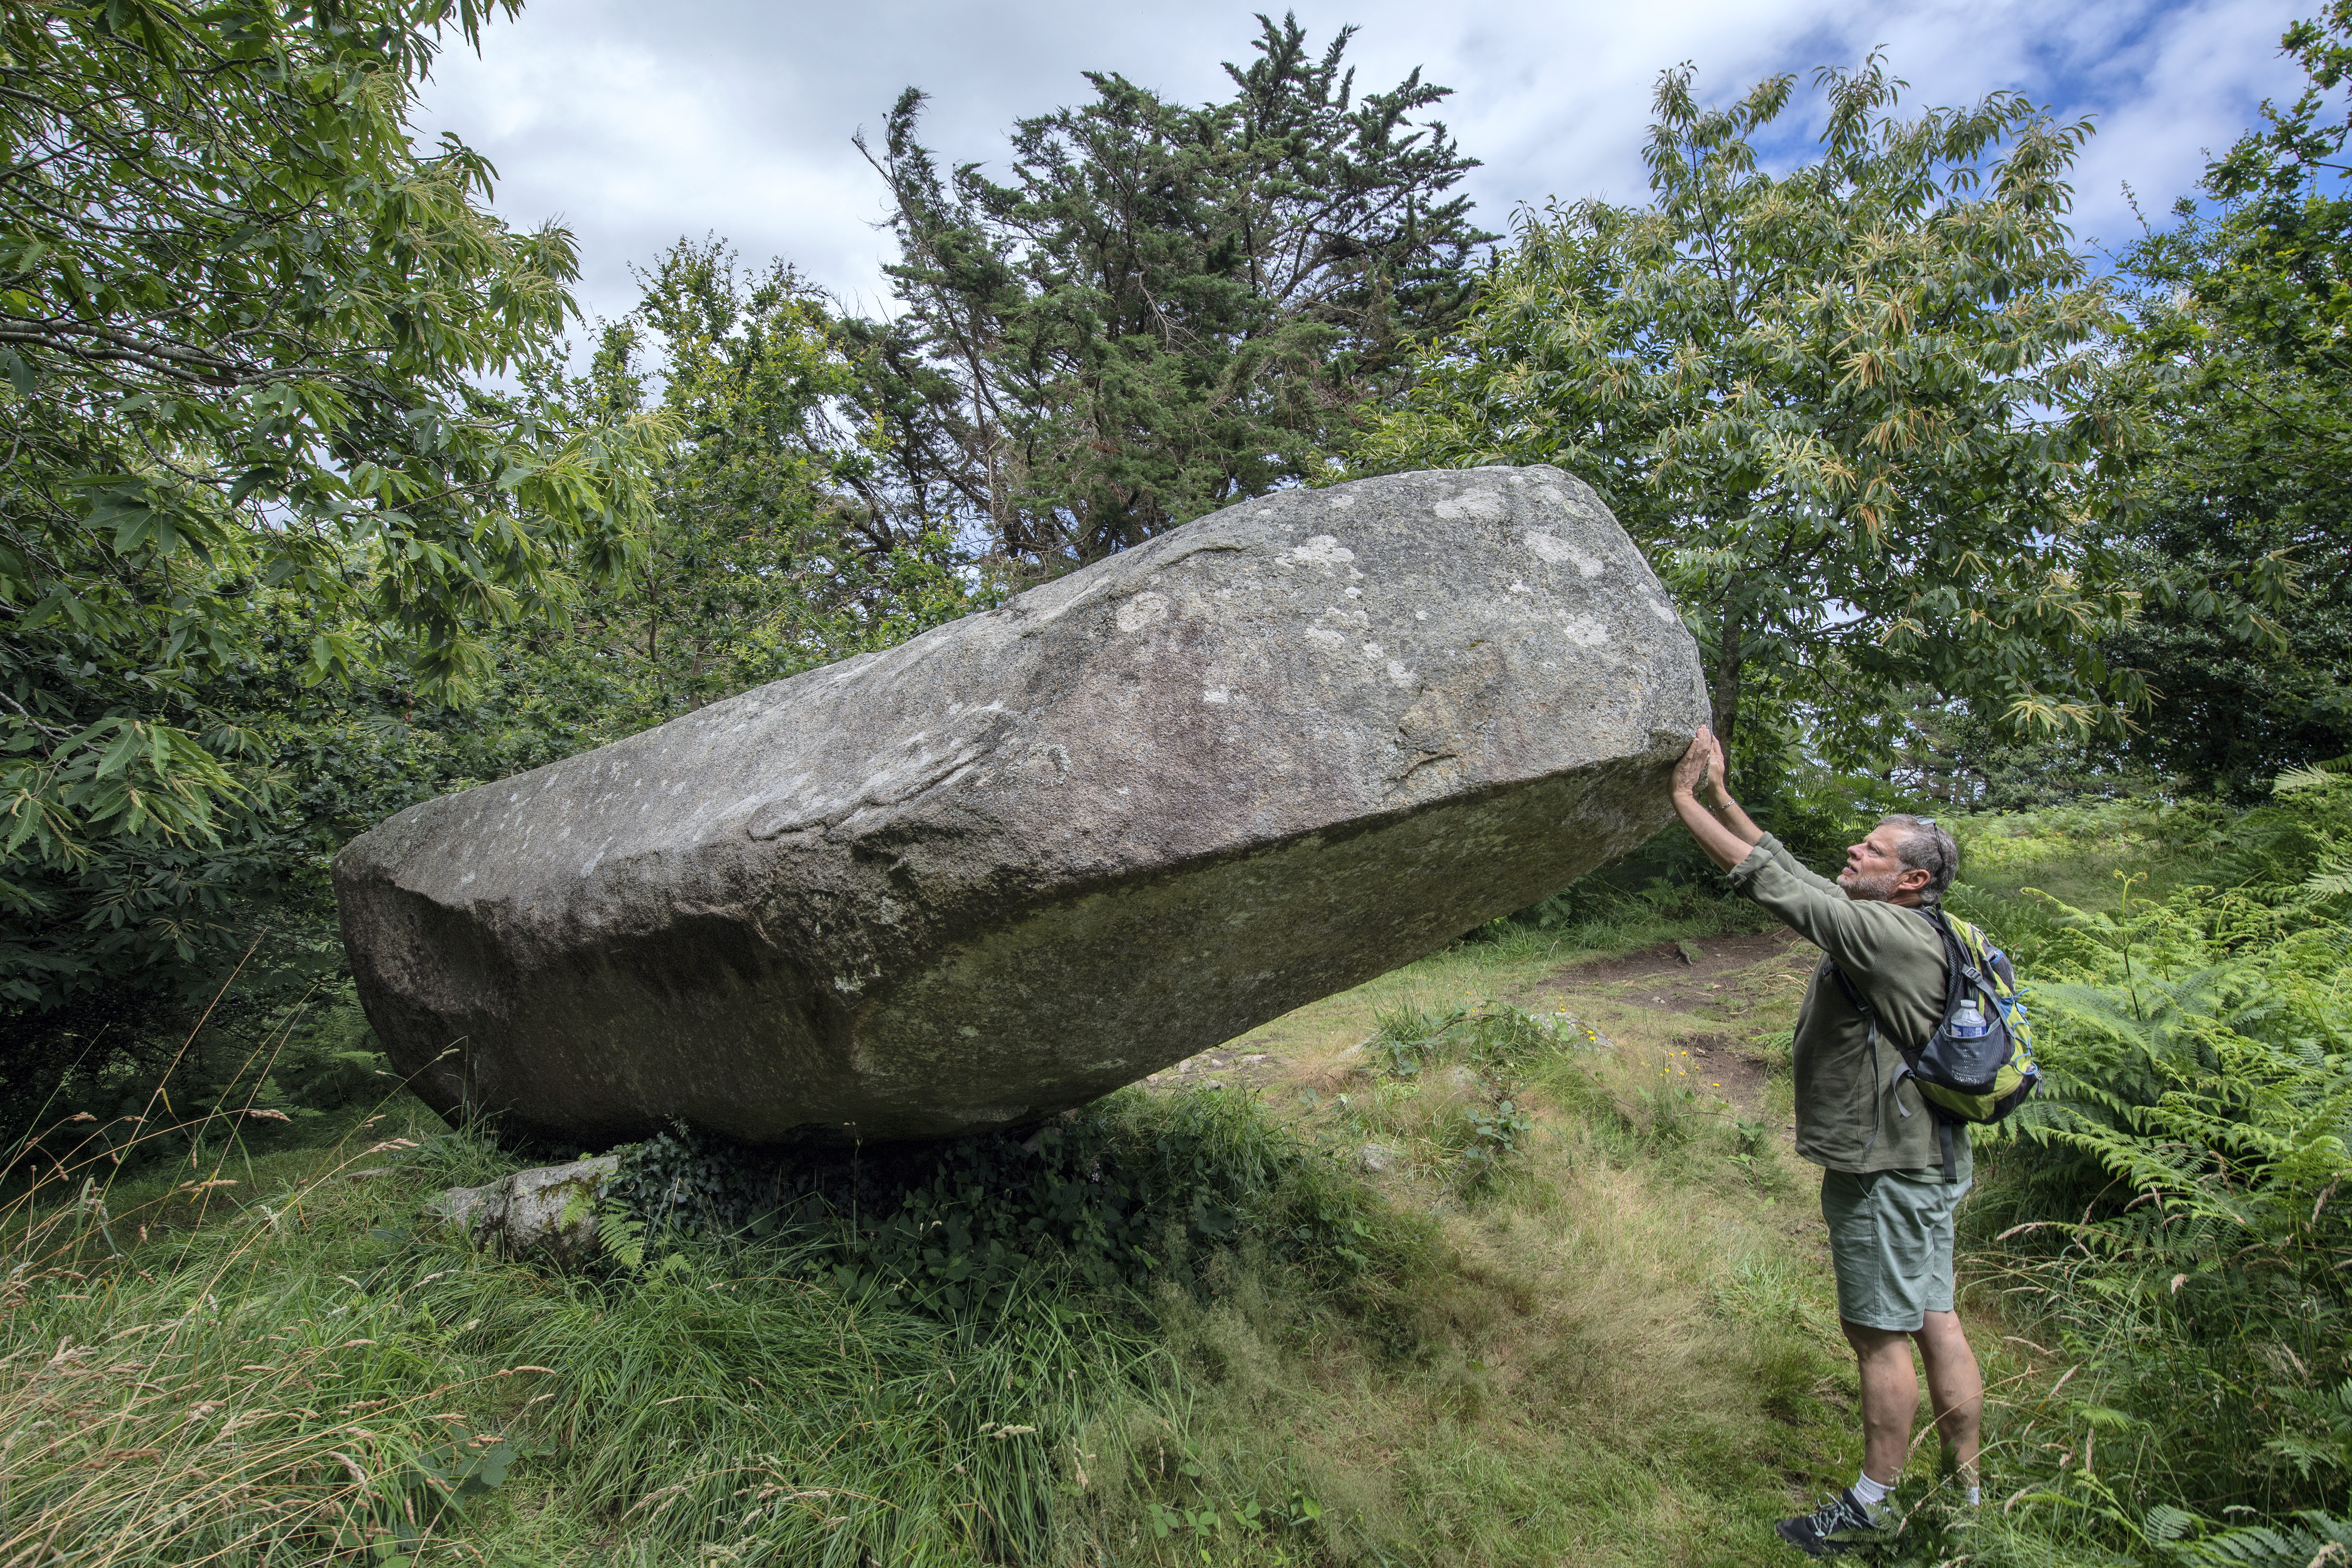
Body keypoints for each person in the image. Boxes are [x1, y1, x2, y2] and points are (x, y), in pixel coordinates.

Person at [1666, 726, 1982, 1558]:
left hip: (1886, 1171)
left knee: (1880, 1333)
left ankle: (1870, 1507)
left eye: (1873, 847)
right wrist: (1726, 796)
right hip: (1932, 1156)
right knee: (1935, 1316)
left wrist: (1681, 801)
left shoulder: (1883, 935)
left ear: (1911, 877)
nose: (1856, 846)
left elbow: (1774, 887)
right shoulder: (1920, 925)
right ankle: (1973, 1493)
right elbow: (1806, 877)